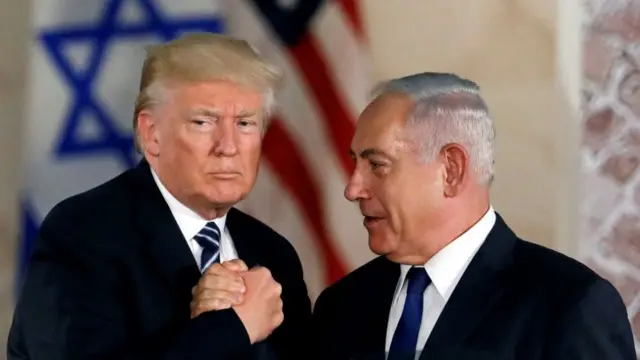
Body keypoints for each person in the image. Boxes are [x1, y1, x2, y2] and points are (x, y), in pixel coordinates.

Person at [7, 33, 311, 360]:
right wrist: (231, 328)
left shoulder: (273, 254)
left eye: (245, 123)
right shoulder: (82, 235)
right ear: (152, 135)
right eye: (203, 121)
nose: (228, 146)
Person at [308, 72, 636, 359]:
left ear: (451, 170)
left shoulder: (568, 306)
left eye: (376, 165)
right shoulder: (340, 306)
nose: (353, 189)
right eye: (355, 163)